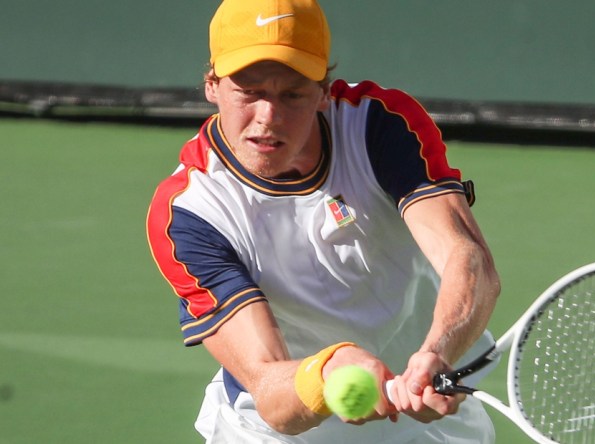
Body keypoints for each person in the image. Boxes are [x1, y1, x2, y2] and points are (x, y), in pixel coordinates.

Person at [146, 0, 501, 442]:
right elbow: (269, 392)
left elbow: (469, 261)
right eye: (249, 91)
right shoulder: (191, 213)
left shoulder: (378, 127)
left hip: (426, 421)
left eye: (291, 94)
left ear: (323, 90)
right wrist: (327, 370)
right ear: (212, 86)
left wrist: (436, 353)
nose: (267, 118)